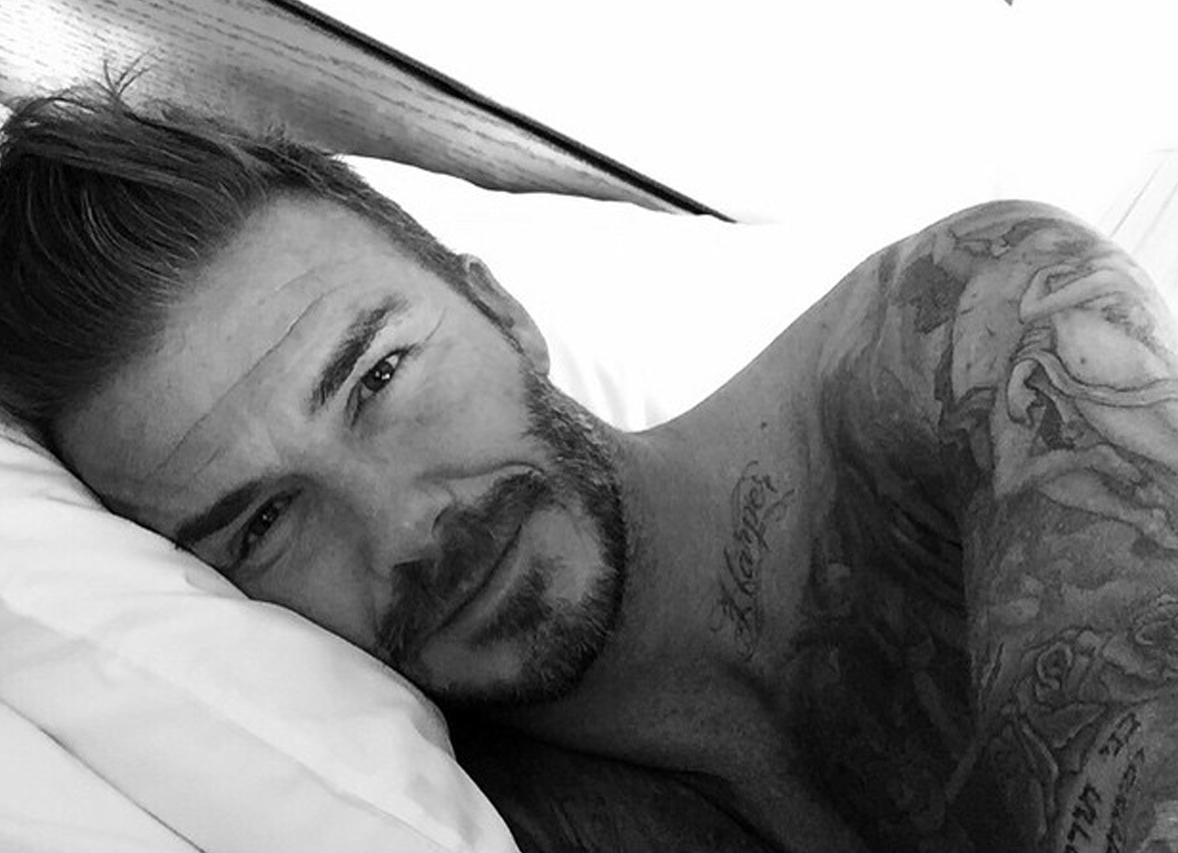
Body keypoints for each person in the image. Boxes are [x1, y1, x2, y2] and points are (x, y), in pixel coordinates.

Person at [3, 80, 1178, 853]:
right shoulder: (451, 813)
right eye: (263, 524)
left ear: (497, 307)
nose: (403, 527)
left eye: (378, 377)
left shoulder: (967, 336)